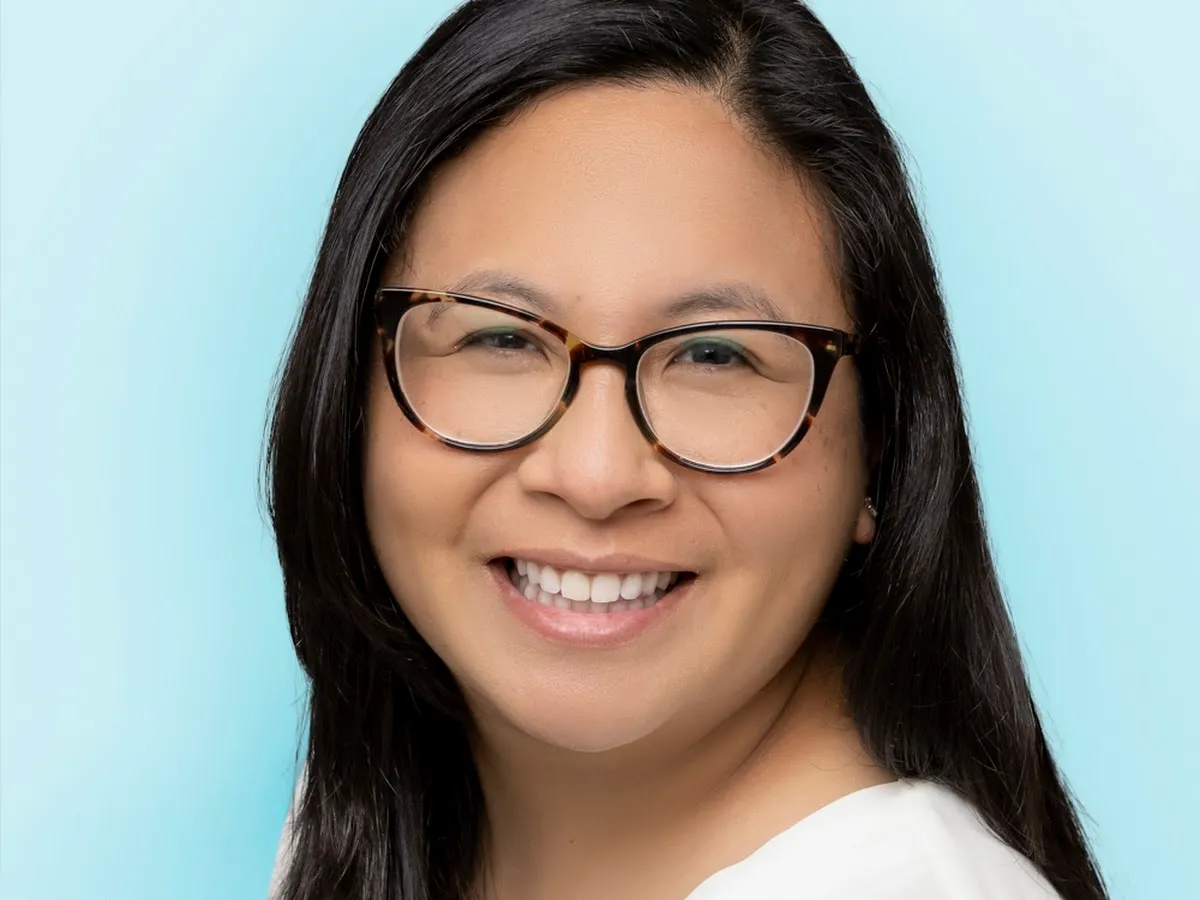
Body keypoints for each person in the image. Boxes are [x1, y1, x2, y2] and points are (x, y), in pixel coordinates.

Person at [265, 1, 1108, 897]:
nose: (596, 475)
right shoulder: (377, 796)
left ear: (880, 447)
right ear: (349, 393)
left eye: (715, 355)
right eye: (500, 338)